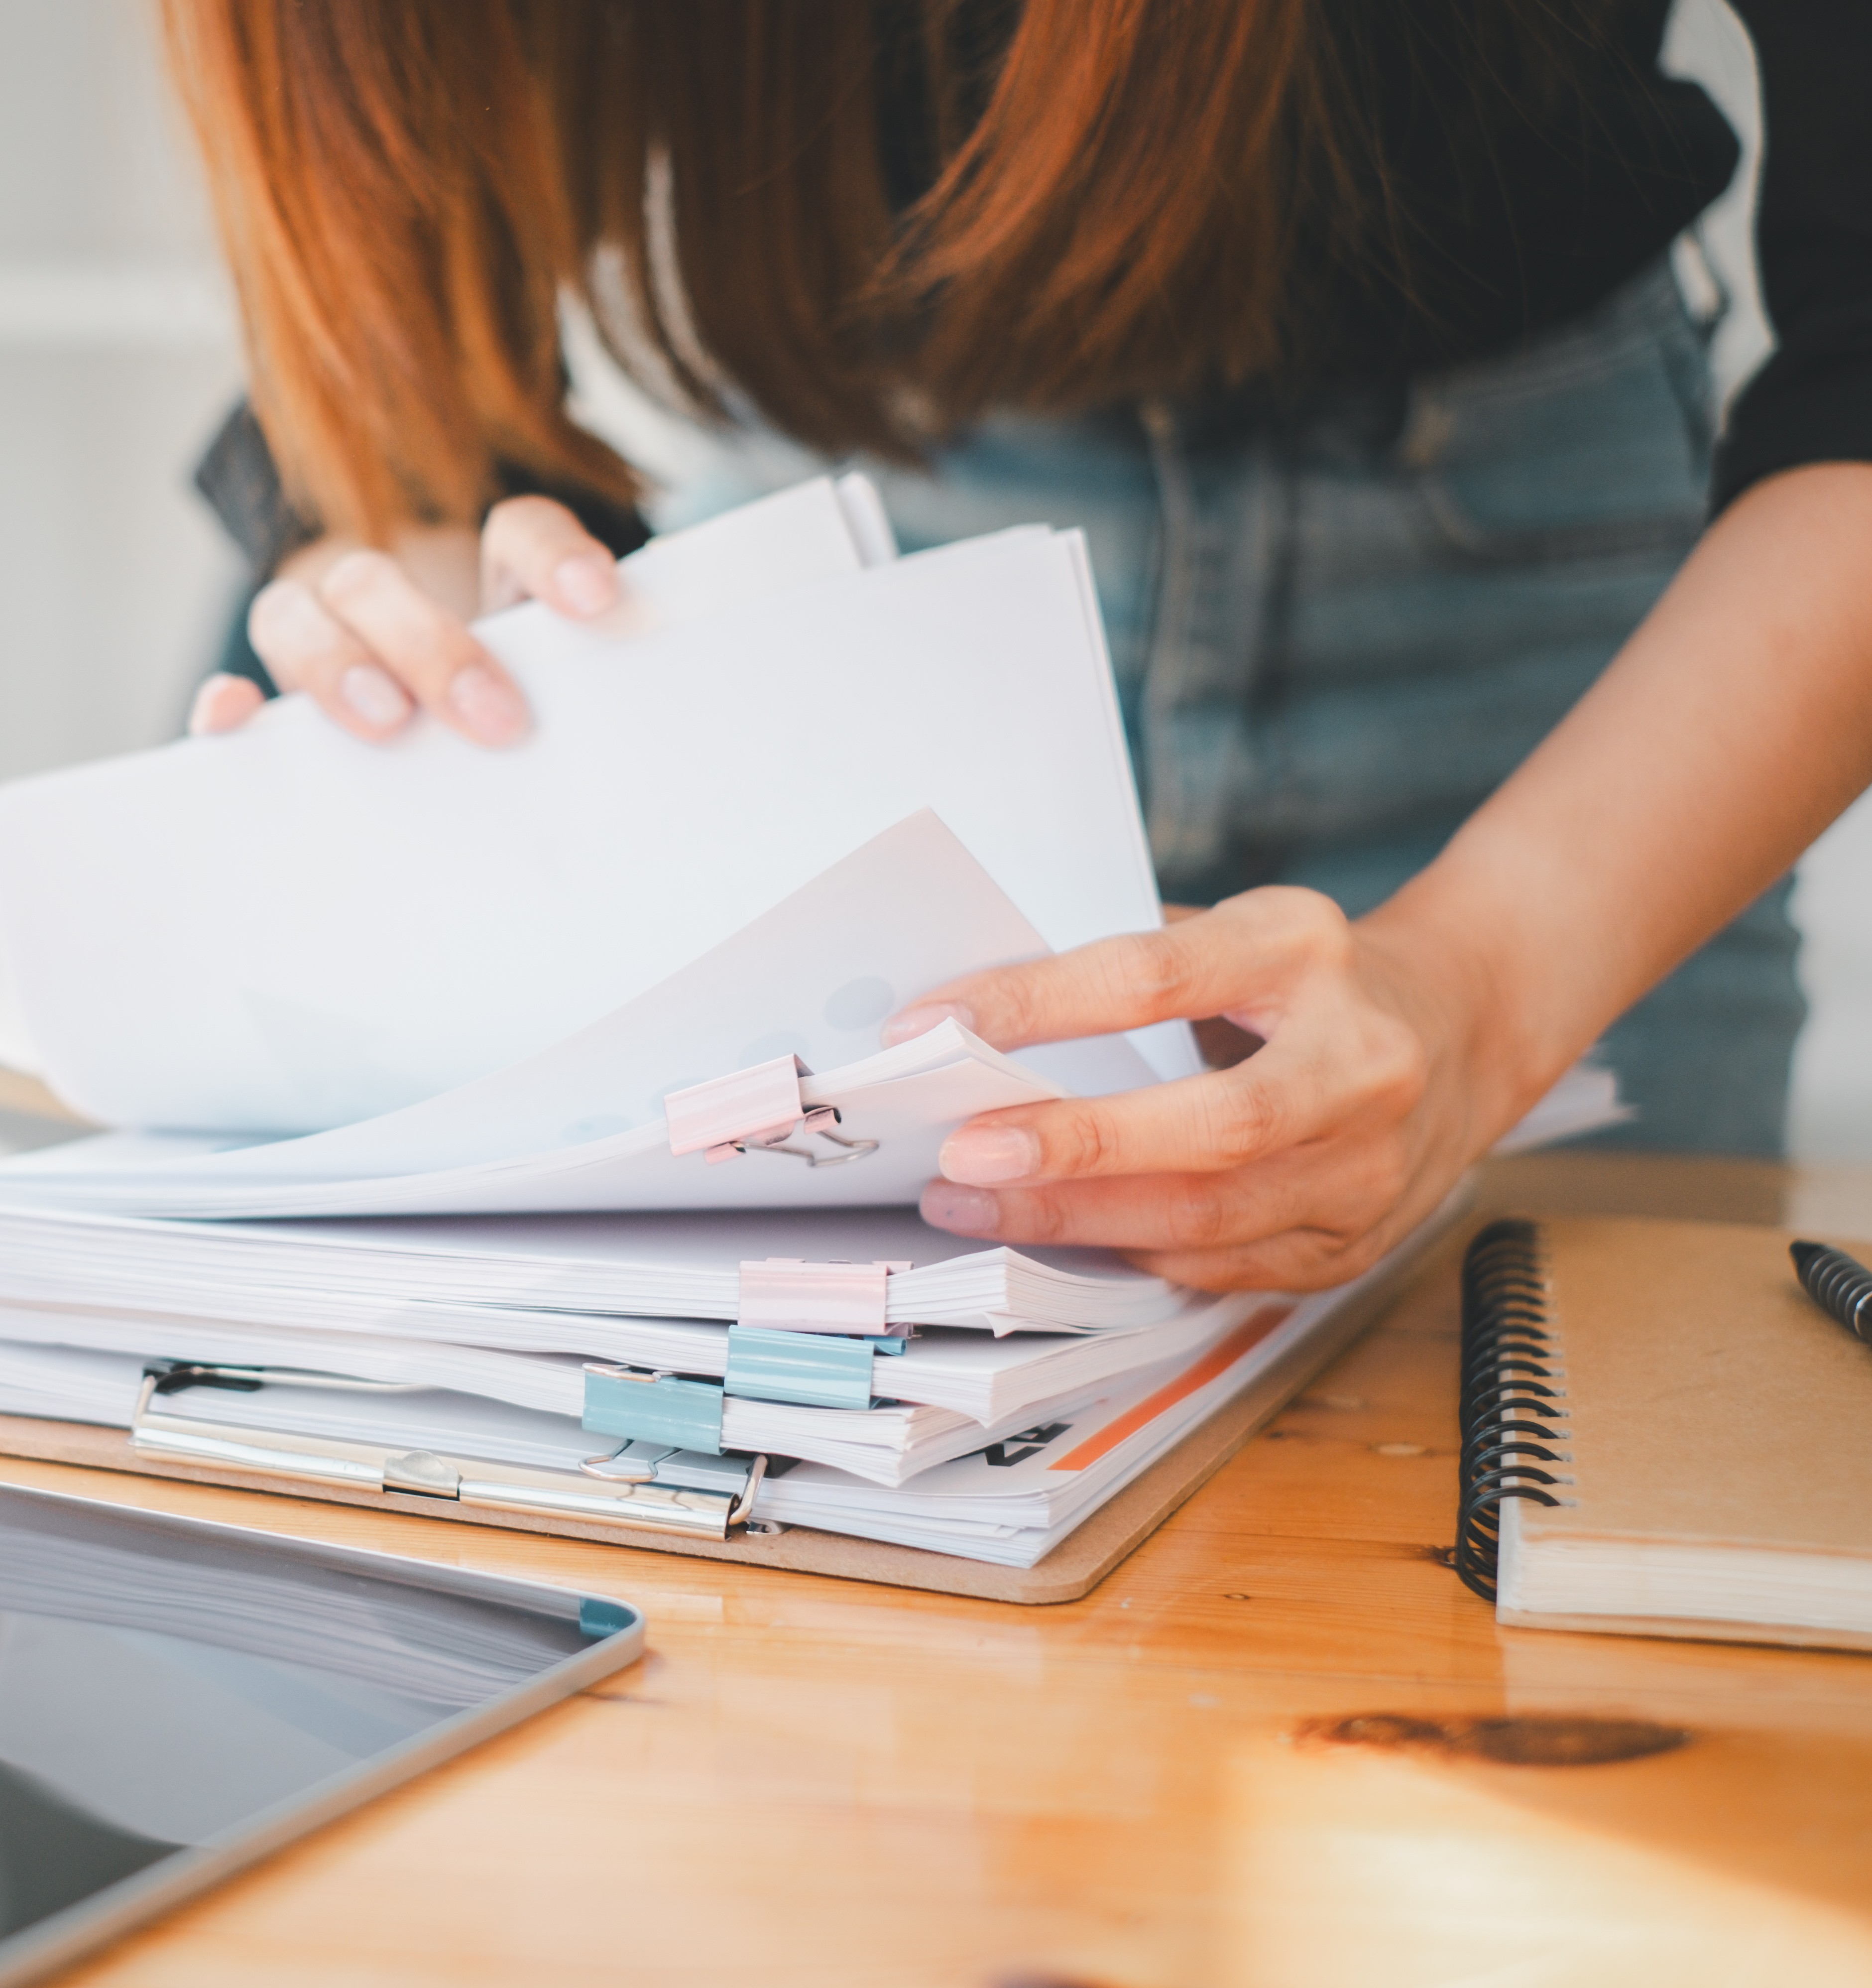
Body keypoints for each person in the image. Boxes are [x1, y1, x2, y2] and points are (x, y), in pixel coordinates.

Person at [160, 0, 1872, 1292]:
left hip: (1567, 672)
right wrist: (433, 588)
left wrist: (1486, 997)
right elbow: (407, 271)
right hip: (839, 561)